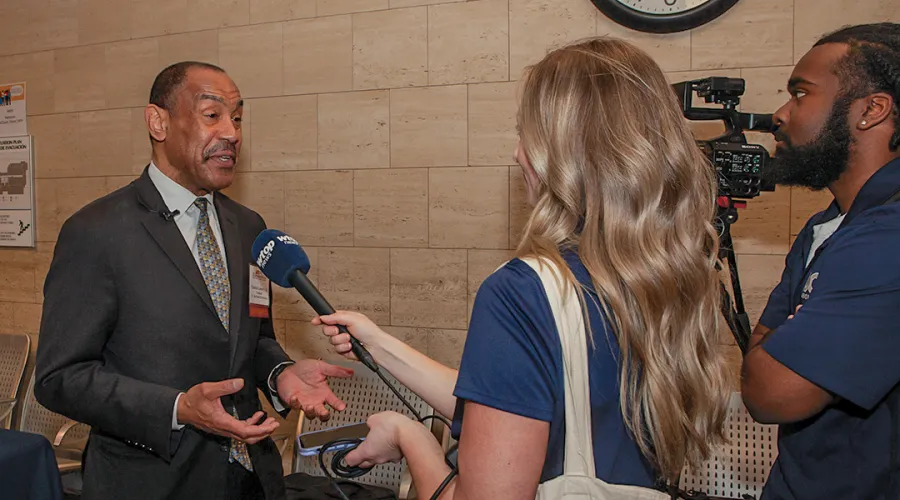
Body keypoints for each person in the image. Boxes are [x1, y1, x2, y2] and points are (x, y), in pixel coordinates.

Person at [313, 37, 731, 499]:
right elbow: (520, 407)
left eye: (526, 133)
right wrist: (380, 344)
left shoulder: (522, 292)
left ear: (567, 152)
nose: (517, 154)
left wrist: (410, 438)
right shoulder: (663, 279)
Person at [34, 61, 354, 500]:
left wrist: (281, 373)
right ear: (158, 122)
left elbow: (252, 339)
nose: (232, 133)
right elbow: (60, 377)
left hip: (252, 479)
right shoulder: (96, 232)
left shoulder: (248, 227)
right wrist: (178, 408)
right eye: (212, 115)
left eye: (237, 118)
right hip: (150, 483)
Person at [741, 22, 900, 499]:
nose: (781, 114)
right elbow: (759, 355)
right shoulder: (825, 226)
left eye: (800, 94)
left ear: (871, 110)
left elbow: (771, 392)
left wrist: (782, 344)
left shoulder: (888, 237)